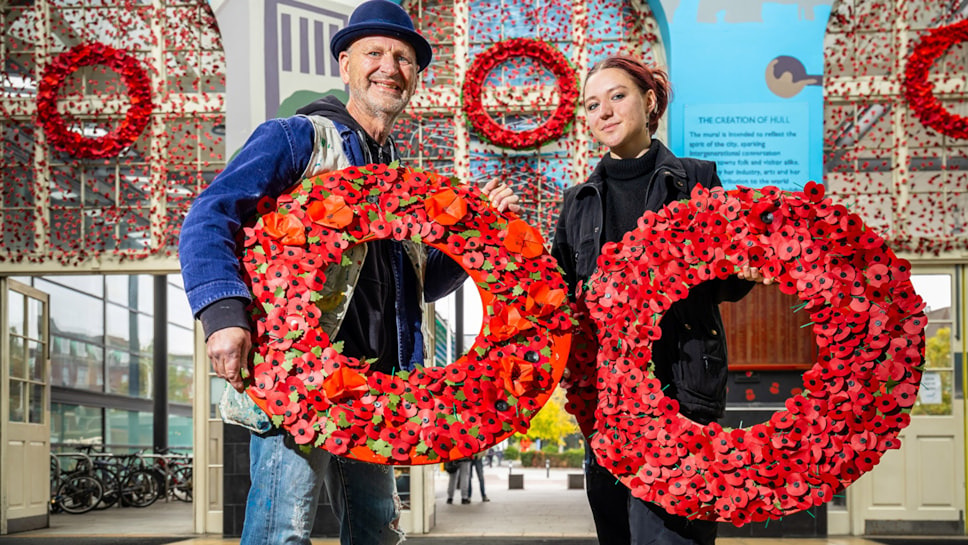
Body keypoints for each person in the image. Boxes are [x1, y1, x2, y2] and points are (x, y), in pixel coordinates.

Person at [178, 2, 519, 543]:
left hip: (374, 393)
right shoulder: (298, 139)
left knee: (377, 536)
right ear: (344, 65)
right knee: (281, 535)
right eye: (375, 53)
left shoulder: (402, 182)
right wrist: (223, 315)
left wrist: (475, 240)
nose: (391, 67)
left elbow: (423, 285)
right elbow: (209, 214)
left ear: (416, 76)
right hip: (298, 382)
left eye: (404, 58)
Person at [550, 56, 771, 545]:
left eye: (617, 96)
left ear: (649, 102)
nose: (603, 111)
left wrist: (746, 270)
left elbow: (725, 281)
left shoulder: (695, 180)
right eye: (591, 105)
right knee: (617, 533)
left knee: (676, 535)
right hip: (606, 403)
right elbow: (560, 296)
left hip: (684, 388)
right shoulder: (578, 201)